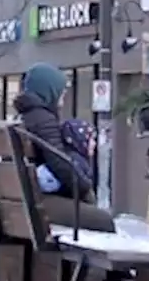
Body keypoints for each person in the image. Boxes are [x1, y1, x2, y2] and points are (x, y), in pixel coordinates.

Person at [13, 63, 95, 201]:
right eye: (61, 95)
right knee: (103, 220)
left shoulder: (23, 117)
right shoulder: (43, 119)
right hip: (37, 201)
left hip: (22, 194)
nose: (62, 102)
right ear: (49, 91)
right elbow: (58, 162)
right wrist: (84, 186)